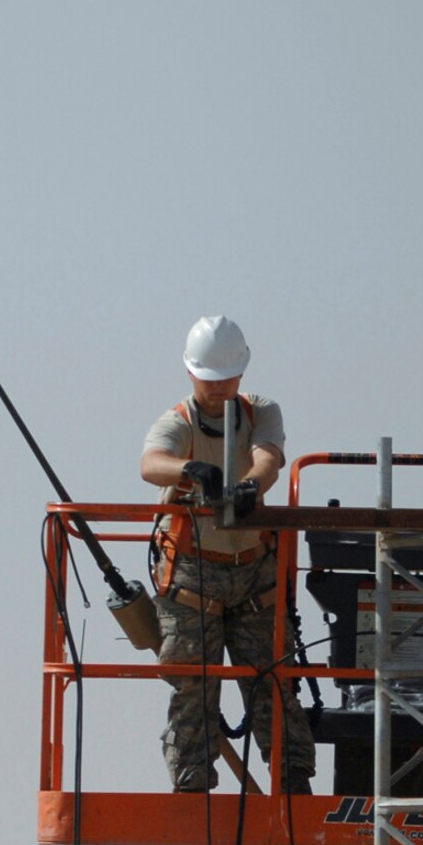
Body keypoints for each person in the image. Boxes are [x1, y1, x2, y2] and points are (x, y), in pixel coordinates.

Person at [141, 315, 316, 794]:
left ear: (242, 373)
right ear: (191, 373)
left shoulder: (261, 412)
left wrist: (249, 487)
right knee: (192, 683)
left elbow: (268, 458)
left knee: (273, 680)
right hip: (193, 580)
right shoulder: (177, 423)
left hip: (253, 575)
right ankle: (192, 781)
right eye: (209, 379)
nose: (219, 389)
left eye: (227, 379)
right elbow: (150, 464)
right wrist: (188, 470)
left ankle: (291, 778)